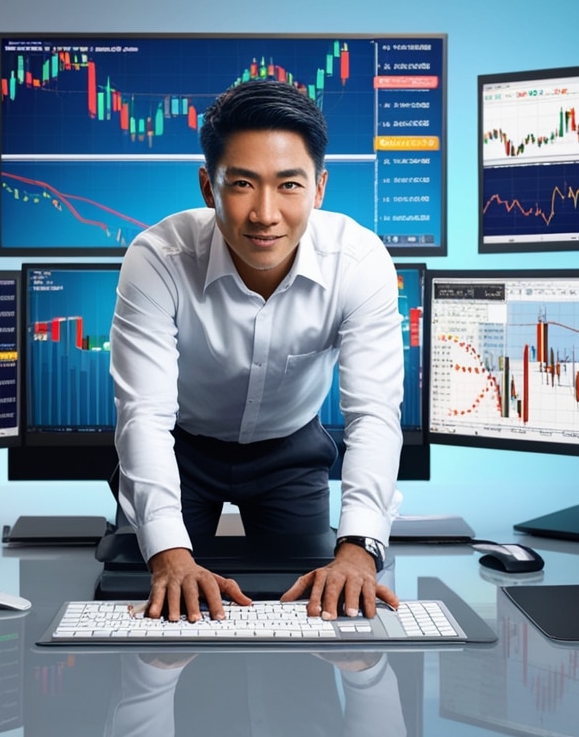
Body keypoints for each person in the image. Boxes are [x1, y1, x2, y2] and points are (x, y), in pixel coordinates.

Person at [109, 78, 405, 623]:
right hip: (181, 448)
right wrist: (170, 555)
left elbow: (373, 415)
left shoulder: (359, 263)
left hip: (288, 451)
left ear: (319, 188)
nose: (265, 213)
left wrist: (360, 549)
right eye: (242, 184)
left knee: (316, 609)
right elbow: (144, 416)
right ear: (208, 187)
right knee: (154, 603)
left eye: (289, 185)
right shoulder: (156, 258)